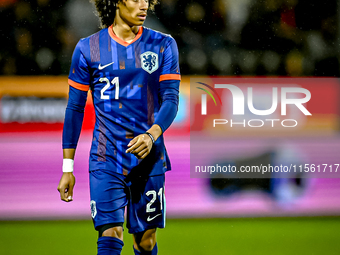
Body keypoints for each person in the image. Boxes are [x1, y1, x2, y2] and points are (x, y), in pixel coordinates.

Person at [57, 0, 181, 254]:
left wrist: (151, 135)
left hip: (149, 158)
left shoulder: (163, 44)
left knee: (145, 241)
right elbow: (74, 110)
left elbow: (171, 99)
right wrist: (67, 168)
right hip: (106, 157)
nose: (143, 5)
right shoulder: (87, 48)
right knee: (110, 233)